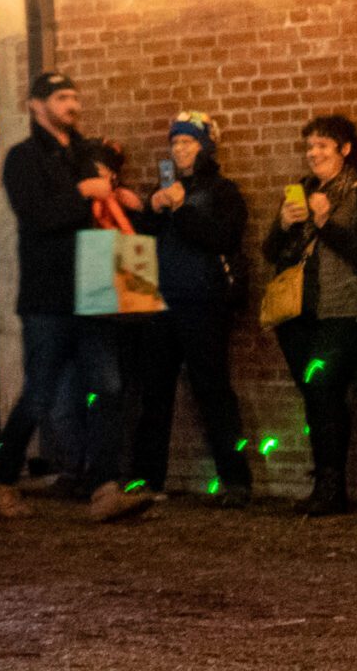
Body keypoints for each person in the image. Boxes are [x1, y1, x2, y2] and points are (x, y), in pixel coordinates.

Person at [0, 72, 152, 523]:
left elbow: (99, 206)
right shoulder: (22, 159)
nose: (72, 105)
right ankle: (4, 476)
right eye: (62, 97)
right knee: (40, 394)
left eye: (75, 97)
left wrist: (116, 197)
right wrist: (82, 193)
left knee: (109, 387)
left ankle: (104, 488)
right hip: (48, 294)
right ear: (36, 105)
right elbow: (37, 216)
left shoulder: (86, 153)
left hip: (97, 283)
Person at [262, 114, 357, 516]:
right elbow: (271, 252)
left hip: (342, 310)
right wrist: (285, 224)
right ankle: (324, 479)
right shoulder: (300, 191)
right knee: (314, 395)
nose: (314, 153)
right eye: (310, 146)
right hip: (299, 312)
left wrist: (324, 221)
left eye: (323, 145)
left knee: (323, 389)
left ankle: (331, 485)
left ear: (345, 150)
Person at [119, 112, 250, 505]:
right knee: (154, 394)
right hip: (160, 303)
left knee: (213, 391)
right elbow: (140, 244)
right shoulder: (165, 190)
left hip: (203, 303)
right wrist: (151, 210)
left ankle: (236, 481)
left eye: (188, 142)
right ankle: (148, 480)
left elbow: (222, 237)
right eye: (175, 143)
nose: (179, 150)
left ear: (205, 145)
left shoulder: (223, 191)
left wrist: (182, 209)